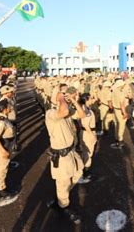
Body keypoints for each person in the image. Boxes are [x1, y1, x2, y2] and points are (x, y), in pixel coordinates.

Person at [45, 86, 85, 224]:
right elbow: (64, 111)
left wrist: (73, 100)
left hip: (71, 152)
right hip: (61, 156)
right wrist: (60, 98)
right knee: (63, 182)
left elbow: (81, 115)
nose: (65, 95)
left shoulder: (67, 109)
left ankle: (61, 197)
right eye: (62, 93)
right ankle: (64, 207)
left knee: (79, 171)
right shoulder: (51, 113)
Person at [0, 99, 17, 200]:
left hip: (7, 145)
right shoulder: (0, 121)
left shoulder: (4, 118)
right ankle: (1, 189)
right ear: (5, 109)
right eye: (9, 106)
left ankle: (2, 185)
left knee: (4, 167)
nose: (11, 107)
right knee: (2, 169)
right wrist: (3, 151)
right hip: (3, 146)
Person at [78, 93, 97, 182]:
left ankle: (84, 172)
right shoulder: (86, 110)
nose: (92, 99)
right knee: (87, 154)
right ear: (86, 100)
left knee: (85, 153)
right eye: (91, 98)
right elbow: (85, 124)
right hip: (88, 133)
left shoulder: (84, 108)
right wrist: (92, 135)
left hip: (84, 132)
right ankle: (84, 174)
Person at [0, 85, 20, 152]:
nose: (12, 93)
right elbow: (2, 115)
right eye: (11, 92)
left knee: (12, 139)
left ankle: (13, 148)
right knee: (7, 143)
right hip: (9, 122)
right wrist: (9, 124)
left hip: (12, 120)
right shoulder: (4, 101)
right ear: (6, 93)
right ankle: (6, 160)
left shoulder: (8, 99)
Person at [110, 80, 128, 149]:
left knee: (116, 125)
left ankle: (117, 139)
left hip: (115, 110)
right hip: (120, 110)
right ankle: (120, 141)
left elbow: (111, 102)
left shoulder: (113, 92)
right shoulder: (121, 93)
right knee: (121, 126)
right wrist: (124, 113)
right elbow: (122, 105)